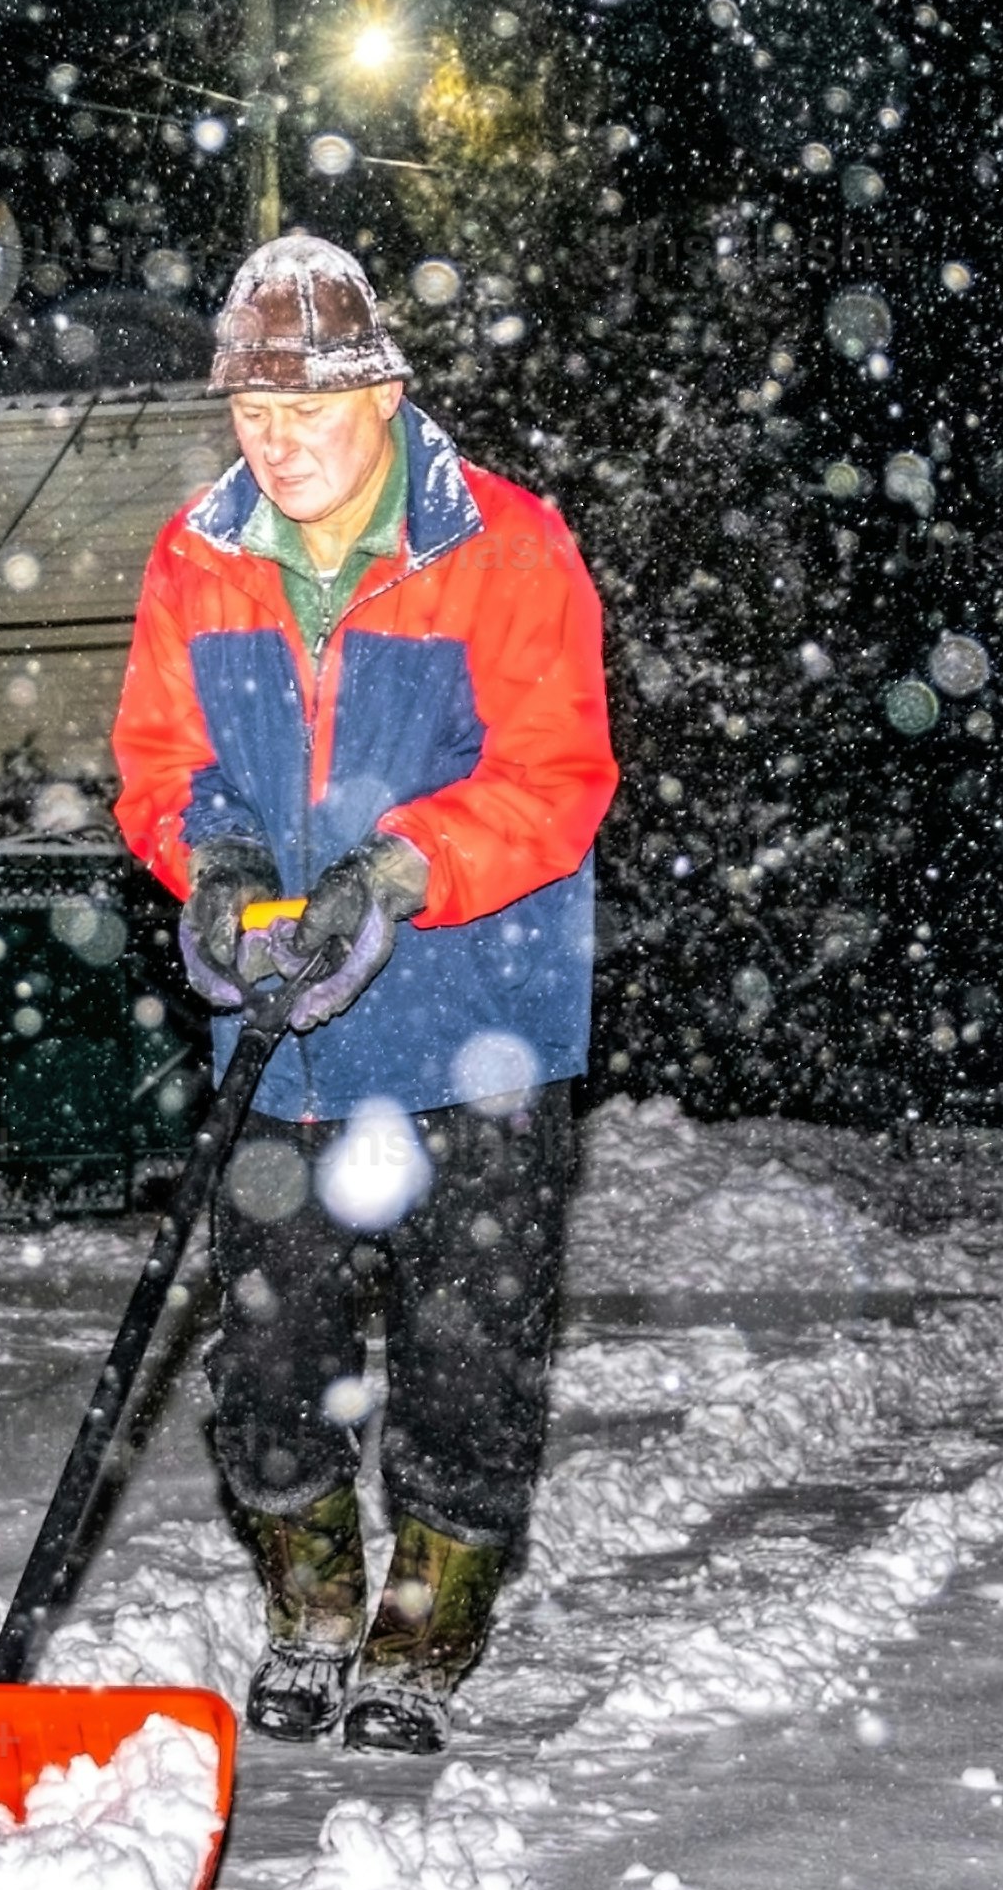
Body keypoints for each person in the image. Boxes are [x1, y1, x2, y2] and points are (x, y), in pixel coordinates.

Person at [106, 233, 619, 1754]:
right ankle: (310, 1599)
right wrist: (207, 858)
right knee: (268, 1354)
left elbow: (558, 778)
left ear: (384, 391)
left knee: (468, 1348)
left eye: (307, 411)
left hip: (477, 1031)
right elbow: (157, 765)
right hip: (279, 1039)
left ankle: (425, 1626)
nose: (276, 443)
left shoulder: (506, 549)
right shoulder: (195, 558)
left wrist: (398, 871)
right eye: (250, 414)